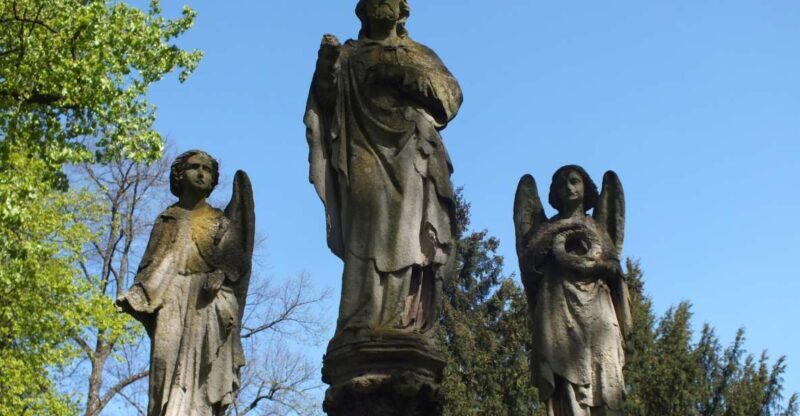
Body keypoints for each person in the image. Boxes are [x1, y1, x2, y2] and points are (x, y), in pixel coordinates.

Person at [304, 0, 463, 346]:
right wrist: (327, 67)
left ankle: (404, 318)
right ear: (362, 10)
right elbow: (327, 105)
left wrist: (400, 75)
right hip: (363, 150)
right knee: (366, 227)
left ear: (401, 11)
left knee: (410, 232)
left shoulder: (418, 54)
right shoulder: (349, 56)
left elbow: (450, 97)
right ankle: (360, 318)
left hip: (413, 153)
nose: (380, 4)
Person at [117, 150, 254, 416]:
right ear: (180, 175)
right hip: (172, 300)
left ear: (213, 180)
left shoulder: (219, 222)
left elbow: (238, 262)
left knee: (203, 374)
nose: (201, 173)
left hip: (208, 303)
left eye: (207, 170)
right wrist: (138, 293)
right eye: (194, 167)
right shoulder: (167, 219)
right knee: (163, 363)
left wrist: (220, 274)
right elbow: (152, 266)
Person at [515, 165, 631, 416]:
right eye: (562, 183)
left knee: (605, 368)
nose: (569, 187)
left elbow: (614, 267)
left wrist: (592, 265)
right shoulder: (545, 229)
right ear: (554, 192)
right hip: (558, 307)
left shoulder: (597, 227)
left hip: (597, 307)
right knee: (564, 378)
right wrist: (558, 231)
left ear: (585, 188)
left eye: (575, 181)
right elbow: (529, 263)